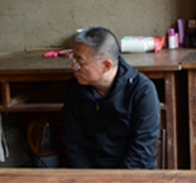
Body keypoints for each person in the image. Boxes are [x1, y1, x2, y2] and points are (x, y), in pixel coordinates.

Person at [61, 26, 161, 169]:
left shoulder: (142, 91)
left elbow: (142, 152)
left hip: (132, 174)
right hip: (89, 175)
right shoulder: (75, 88)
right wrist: (87, 178)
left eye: (80, 63)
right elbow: (72, 143)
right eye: (73, 59)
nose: (74, 67)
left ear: (106, 66)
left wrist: (113, 180)